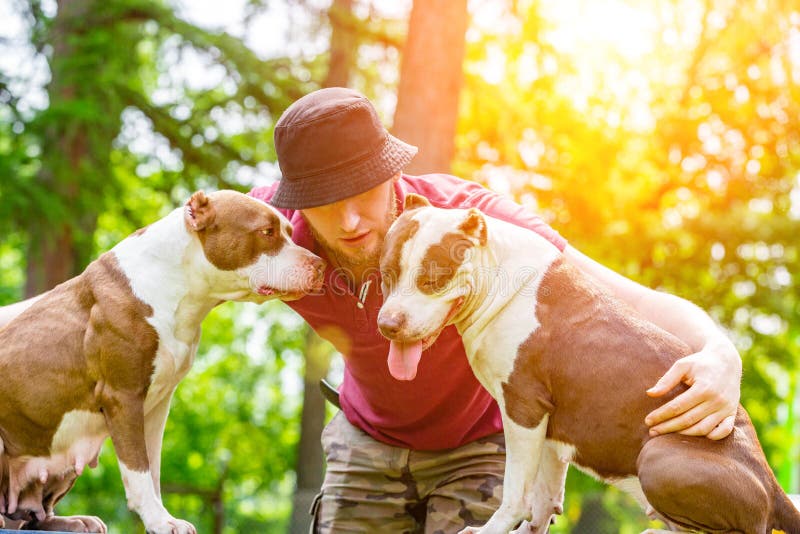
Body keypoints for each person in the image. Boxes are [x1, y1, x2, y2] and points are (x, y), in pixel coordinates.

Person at [0, 87, 742, 533]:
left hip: (482, 445)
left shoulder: (469, 220)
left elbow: (618, 292)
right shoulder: (263, 234)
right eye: (326, 205)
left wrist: (718, 354)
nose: (352, 222)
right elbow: (121, 277)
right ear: (294, 207)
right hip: (365, 442)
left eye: (365, 193)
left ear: (394, 173)